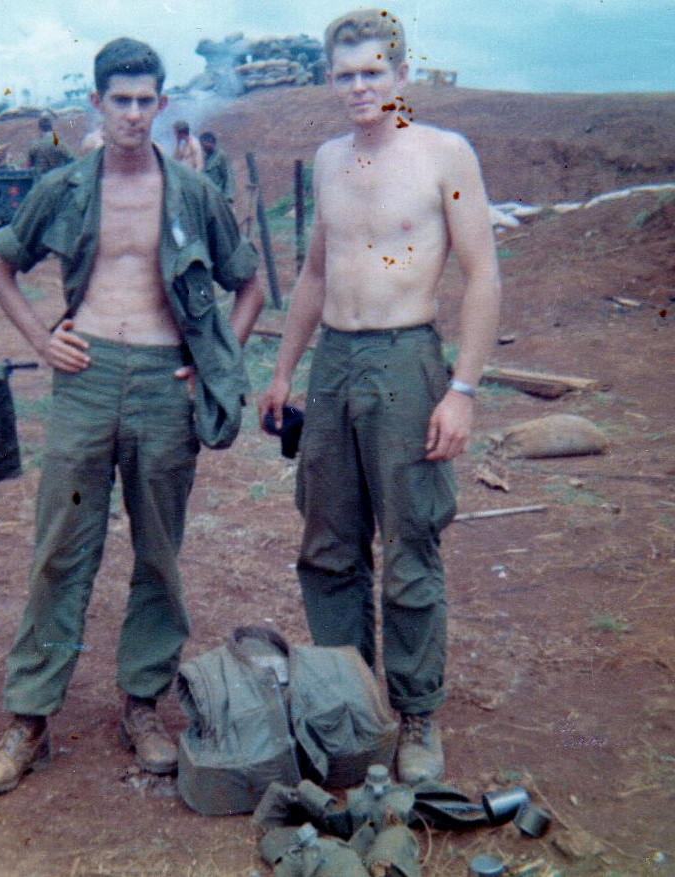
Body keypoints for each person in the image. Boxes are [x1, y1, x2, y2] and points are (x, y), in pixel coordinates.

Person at [0, 37, 264, 795]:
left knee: (159, 551)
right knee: (61, 546)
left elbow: (250, 284)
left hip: (165, 387)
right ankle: (30, 719)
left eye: (145, 101)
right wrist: (43, 341)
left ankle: (142, 706)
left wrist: (215, 361)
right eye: (119, 101)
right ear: (96, 103)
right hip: (86, 381)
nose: (133, 114)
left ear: (162, 105)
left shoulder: (192, 192)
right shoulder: (64, 187)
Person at [257, 8, 501, 785]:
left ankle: (418, 712)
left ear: (401, 74)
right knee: (327, 543)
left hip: (406, 360)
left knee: (409, 542)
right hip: (334, 361)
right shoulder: (329, 159)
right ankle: (350, 701)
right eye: (345, 75)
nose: (359, 87)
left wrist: (462, 390)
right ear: (331, 80)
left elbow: (483, 274)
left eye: (373, 73)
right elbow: (314, 274)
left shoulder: (444, 154)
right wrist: (284, 370)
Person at [200, 131, 236, 204]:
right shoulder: (206, 159)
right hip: (208, 197)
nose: (203, 148)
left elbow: (229, 176)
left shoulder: (220, 156)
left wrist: (229, 197)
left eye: (204, 145)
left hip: (219, 197)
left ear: (211, 142)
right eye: (202, 145)